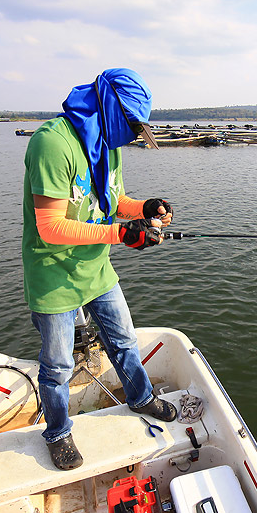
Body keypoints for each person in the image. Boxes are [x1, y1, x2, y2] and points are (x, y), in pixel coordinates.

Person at [21, 68, 176, 471]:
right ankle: (57, 431)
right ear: (109, 105)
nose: (133, 133)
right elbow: (50, 227)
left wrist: (143, 210)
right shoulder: (51, 143)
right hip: (53, 274)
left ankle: (140, 397)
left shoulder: (109, 142)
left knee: (124, 339)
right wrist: (122, 235)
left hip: (95, 267)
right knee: (57, 365)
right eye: (131, 123)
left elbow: (113, 199)